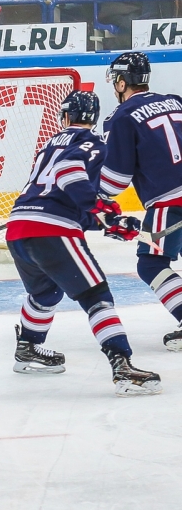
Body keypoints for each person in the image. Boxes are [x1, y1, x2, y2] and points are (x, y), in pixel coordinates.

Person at [6, 90, 161, 397]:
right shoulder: (94, 143)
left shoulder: (49, 144)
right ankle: (122, 366)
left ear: (64, 116)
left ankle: (28, 348)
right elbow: (69, 174)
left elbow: (66, 198)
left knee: (45, 291)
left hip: (19, 228)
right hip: (52, 231)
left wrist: (106, 223)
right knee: (97, 296)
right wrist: (102, 211)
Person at [99, 52, 182, 351]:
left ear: (121, 83)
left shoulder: (121, 117)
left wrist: (90, 198)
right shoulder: (175, 100)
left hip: (170, 202)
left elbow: (114, 181)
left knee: (151, 263)